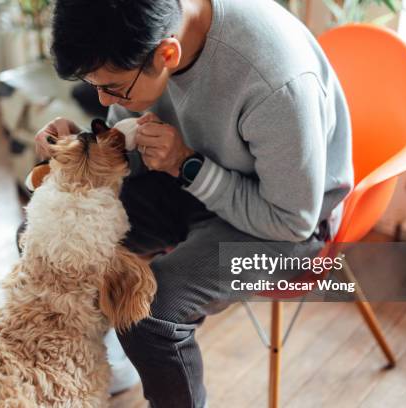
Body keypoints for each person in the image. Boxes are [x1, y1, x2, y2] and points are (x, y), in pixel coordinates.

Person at [28, 0, 354, 406]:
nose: (105, 99)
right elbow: (128, 137)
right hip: (187, 179)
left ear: (167, 54)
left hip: (287, 224)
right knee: (47, 241)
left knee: (151, 314)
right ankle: (106, 362)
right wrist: (83, 150)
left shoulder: (275, 81)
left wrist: (187, 165)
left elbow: (292, 221)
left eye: (112, 88)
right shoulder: (145, 30)